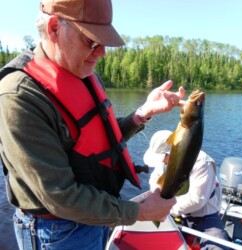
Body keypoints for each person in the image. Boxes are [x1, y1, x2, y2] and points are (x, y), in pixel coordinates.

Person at [0, 1, 186, 250]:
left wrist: (142, 113)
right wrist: (138, 212)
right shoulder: (18, 96)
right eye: (91, 41)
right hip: (56, 233)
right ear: (55, 27)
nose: (102, 53)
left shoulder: (82, 71)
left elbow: (95, 140)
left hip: (97, 217)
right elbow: (60, 196)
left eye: (104, 42)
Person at [144, 130, 230, 250]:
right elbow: (154, 180)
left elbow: (196, 200)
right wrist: (158, 199)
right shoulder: (164, 161)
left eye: (164, 157)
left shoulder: (201, 162)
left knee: (218, 246)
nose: (163, 161)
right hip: (173, 212)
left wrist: (166, 208)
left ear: (175, 151)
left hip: (204, 216)